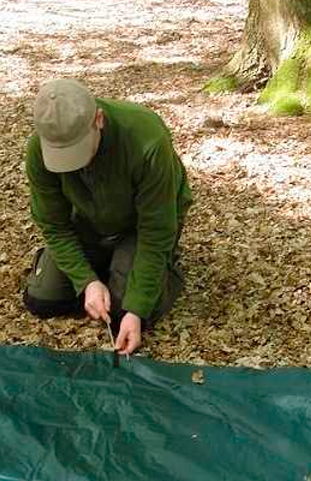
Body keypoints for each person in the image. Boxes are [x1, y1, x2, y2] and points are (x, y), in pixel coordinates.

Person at [22, 78, 192, 355]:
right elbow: (54, 225)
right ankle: (108, 273)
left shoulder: (146, 138)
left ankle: (160, 270)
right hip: (88, 223)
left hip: (137, 228)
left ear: (98, 119)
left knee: (126, 309)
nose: (70, 164)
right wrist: (86, 282)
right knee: (43, 300)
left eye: (76, 150)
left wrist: (137, 310)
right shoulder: (38, 151)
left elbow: (156, 230)